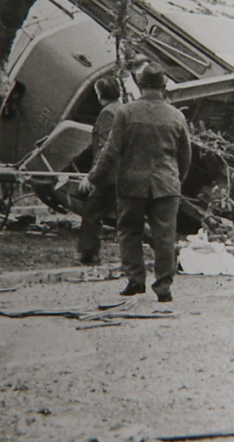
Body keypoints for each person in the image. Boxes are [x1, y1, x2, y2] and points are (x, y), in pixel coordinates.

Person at [80, 63, 191, 302]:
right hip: (167, 184)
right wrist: (175, 180)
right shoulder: (177, 116)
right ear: (164, 86)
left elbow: (110, 151)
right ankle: (163, 286)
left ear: (140, 86)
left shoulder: (126, 112)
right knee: (165, 235)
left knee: (129, 230)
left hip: (132, 183)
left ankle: (135, 280)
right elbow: (185, 156)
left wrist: (93, 177)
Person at [76, 75, 123, 266]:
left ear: (100, 94)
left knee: (92, 213)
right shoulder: (123, 109)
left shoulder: (108, 113)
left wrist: (93, 176)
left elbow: (105, 147)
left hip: (109, 175)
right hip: (122, 173)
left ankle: (89, 254)